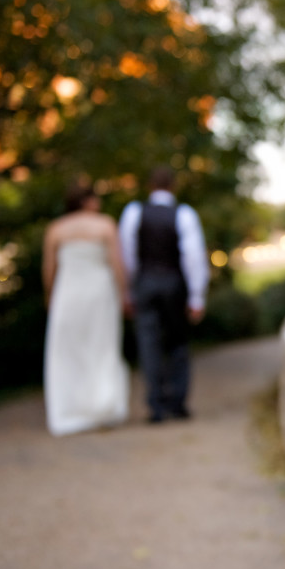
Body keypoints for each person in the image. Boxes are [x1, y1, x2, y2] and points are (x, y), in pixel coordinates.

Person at [118, 166, 209, 423]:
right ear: (173, 186)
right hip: (174, 283)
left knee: (149, 344)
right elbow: (193, 258)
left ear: (150, 186)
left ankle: (156, 405)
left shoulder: (134, 213)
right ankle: (177, 402)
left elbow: (128, 255)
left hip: (145, 283)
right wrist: (196, 296)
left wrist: (129, 290)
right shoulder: (184, 214)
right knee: (177, 342)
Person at [42, 182, 131, 436]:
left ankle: (70, 410)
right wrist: (123, 293)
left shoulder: (56, 229)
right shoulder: (104, 225)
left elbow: (49, 271)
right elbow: (117, 265)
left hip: (67, 295)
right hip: (99, 295)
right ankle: (103, 406)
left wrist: (50, 297)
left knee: (68, 352)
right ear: (88, 201)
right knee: (101, 348)